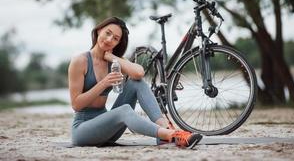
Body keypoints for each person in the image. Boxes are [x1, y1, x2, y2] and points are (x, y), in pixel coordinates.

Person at [68, 16, 202, 149]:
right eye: (108, 33)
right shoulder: (80, 61)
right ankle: (172, 135)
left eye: (115, 38)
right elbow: (76, 105)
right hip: (83, 130)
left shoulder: (113, 61)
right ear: (99, 30)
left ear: (118, 43)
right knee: (124, 110)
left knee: (136, 83)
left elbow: (139, 73)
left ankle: (165, 128)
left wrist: (112, 57)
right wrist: (103, 83)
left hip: (108, 128)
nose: (109, 39)